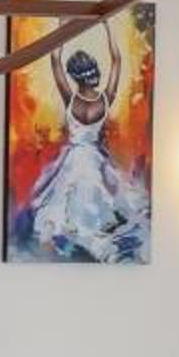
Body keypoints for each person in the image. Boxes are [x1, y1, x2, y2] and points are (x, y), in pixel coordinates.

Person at [16, 34, 149, 263]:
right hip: (95, 159)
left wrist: (61, 28)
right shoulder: (106, 99)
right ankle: (93, 241)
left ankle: (78, 241)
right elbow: (117, 60)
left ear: (74, 77)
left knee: (67, 203)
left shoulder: (70, 99)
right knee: (98, 203)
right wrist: (108, 28)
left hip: (74, 159)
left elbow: (55, 59)